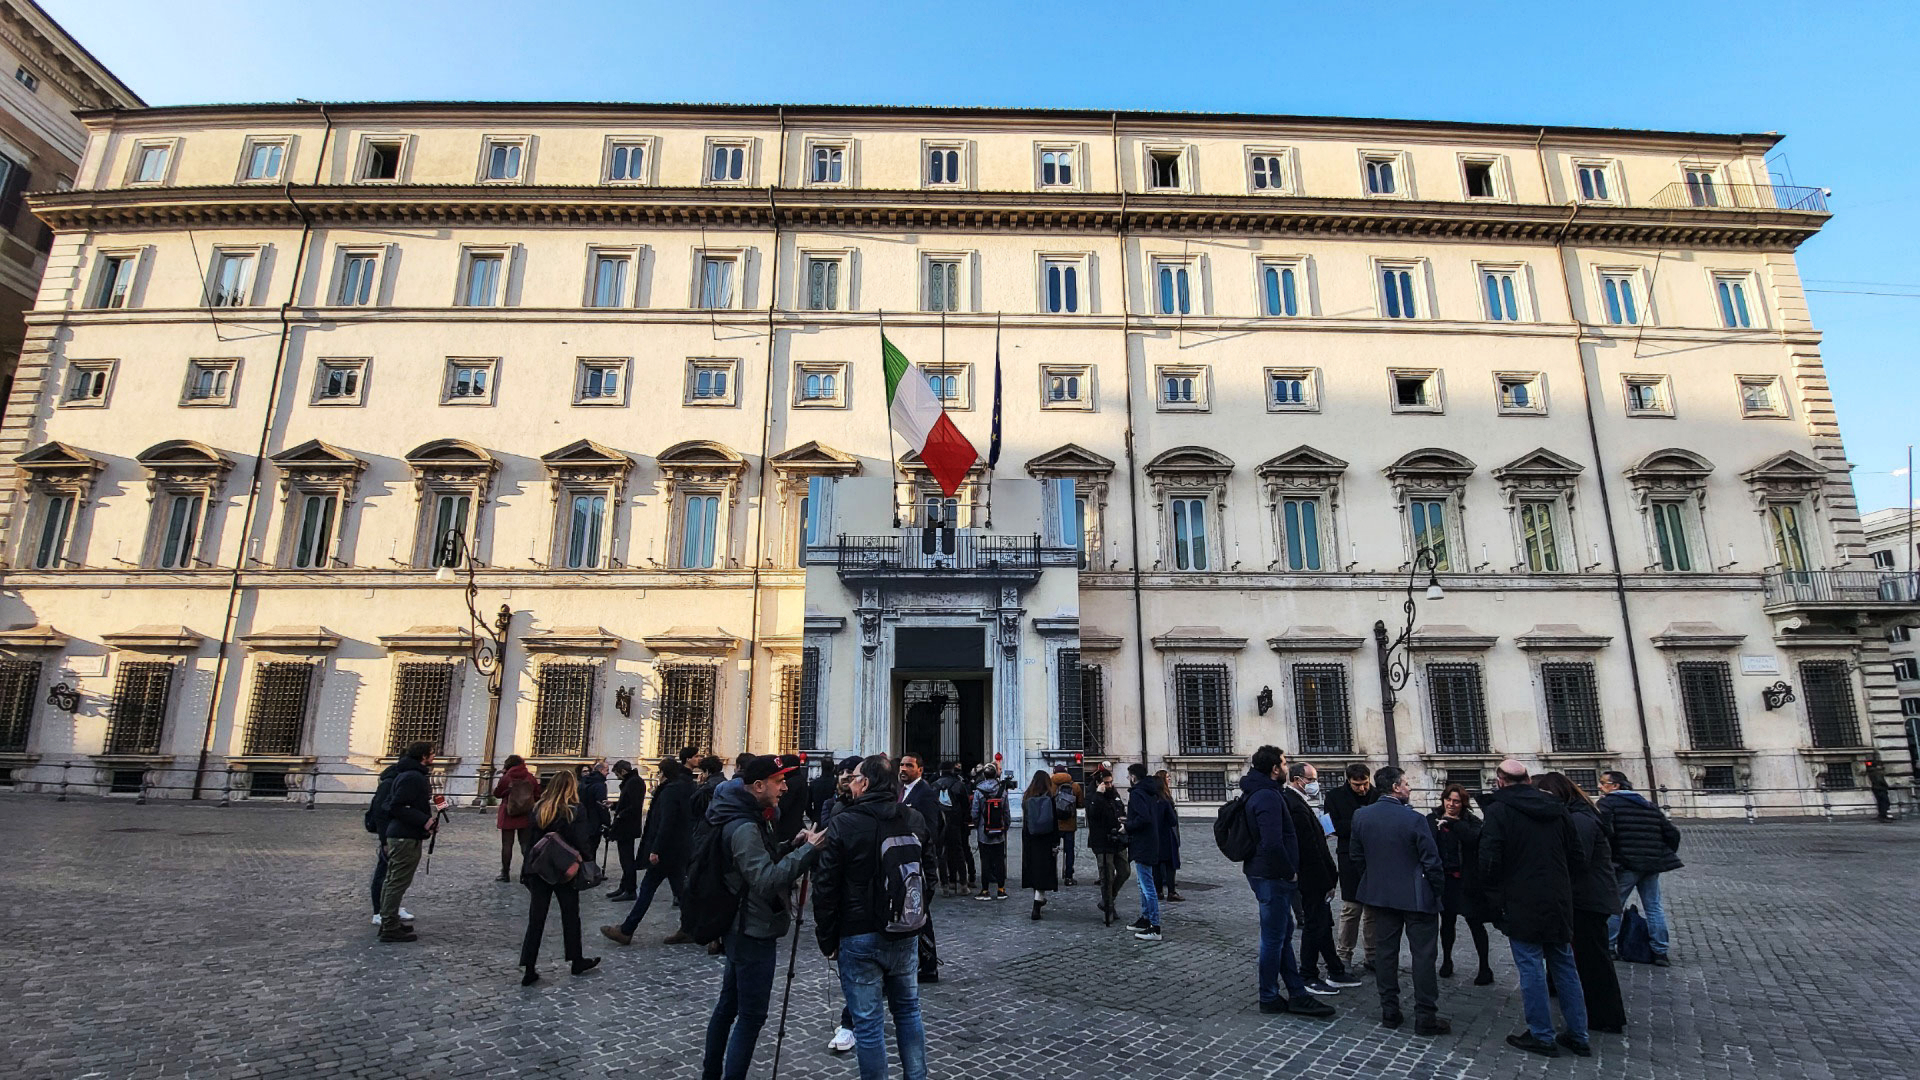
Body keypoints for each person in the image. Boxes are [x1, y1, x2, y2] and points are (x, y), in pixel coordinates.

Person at [700, 756, 827, 1080]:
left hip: (743, 924)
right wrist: (807, 852)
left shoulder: (749, 816)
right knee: (751, 1015)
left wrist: (789, 846)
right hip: (751, 929)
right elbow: (765, 879)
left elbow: (758, 861)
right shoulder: (744, 826)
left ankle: (711, 1074)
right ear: (758, 786)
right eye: (779, 781)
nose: (786, 787)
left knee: (729, 1005)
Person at [814, 754, 931, 1080]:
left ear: (864, 784)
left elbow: (826, 887)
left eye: (854, 778)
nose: (849, 782)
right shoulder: (912, 819)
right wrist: (915, 915)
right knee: (908, 1012)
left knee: (867, 1024)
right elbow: (927, 876)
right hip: (903, 931)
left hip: (857, 933)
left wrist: (827, 938)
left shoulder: (844, 822)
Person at [1481, 759, 1588, 1058]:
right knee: (1565, 965)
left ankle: (1542, 1035)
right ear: (1528, 780)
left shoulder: (1498, 811)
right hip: (1557, 897)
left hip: (1521, 899)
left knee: (1531, 967)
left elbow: (1489, 861)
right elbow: (1577, 856)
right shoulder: (1558, 809)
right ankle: (1578, 1034)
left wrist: (1493, 896)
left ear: (1500, 781)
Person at [1349, 766, 1449, 1035]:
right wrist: (1437, 890)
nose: (1409, 788)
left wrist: (1374, 880)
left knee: (1385, 953)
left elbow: (1356, 856)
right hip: (1417, 896)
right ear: (1394, 787)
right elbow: (1432, 859)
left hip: (1380, 895)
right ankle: (1425, 1015)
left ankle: (1389, 1009)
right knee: (1424, 956)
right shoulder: (1414, 819)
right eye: (1405, 783)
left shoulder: (1361, 816)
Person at [1239, 746, 1336, 1018]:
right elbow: (1272, 842)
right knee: (1273, 938)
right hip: (1272, 875)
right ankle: (1269, 995)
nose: (1285, 766)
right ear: (1274, 769)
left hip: (1265, 872)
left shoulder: (1261, 792)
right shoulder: (1268, 796)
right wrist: (1289, 871)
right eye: (1283, 763)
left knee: (1282, 933)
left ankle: (1295, 991)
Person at [1535, 772, 1625, 1035]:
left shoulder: (1580, 820)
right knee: (1587, 955)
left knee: (1593, 958)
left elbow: (1577, 860)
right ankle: (1597, 1010)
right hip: (1588, 896)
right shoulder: (1581, 814)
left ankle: (1606, 1015)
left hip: (1588, 898)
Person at [518, 769, 602, 985]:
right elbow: (582, 840)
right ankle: (576, 959)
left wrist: (526, 869)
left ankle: (529, 966)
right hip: (565, 869)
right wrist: (588, 860)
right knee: (571, 915)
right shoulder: (574, 810)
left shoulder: (539, 808)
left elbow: (530, 843)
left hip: (539, 869)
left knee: (536, 919)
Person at [602, 758, 697, 946]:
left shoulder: (670, 791)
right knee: (680, 892)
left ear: (663, 773)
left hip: (667, 850)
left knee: (647, 889)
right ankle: (691, 928)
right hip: (679, 848)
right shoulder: (686, 787)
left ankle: (627, 930)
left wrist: (655, 849)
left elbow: (666, 822)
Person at [1283, 761, 1360, 995]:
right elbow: (1309, 849)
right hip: (1311, 877)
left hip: (1315, 874)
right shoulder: (1294, 803)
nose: (1315, 784)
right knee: (1315, 924)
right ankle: (1308, 974)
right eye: (1311, 779)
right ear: (1298, 780)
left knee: (1323, 923)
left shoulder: (1299, 801)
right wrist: (1327, 880)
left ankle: (1335, 969)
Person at [1595, 770, 1681, 966]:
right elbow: (1672, 833)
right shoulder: (1647, 804)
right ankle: (1660, 951)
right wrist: (1659, 853)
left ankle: (1609, 947)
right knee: (1654, 907)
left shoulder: (1607, 804)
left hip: (1625, 864)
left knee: (1614, 905)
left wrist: (1608, 859)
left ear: (1615, 786)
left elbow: (1605, 833)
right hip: (1651, 863)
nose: (1600, 787)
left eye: (1603, 783)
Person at [1427, 784, 1493, 985]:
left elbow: (1474, 840)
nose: (1451, 804)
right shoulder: (1432, 819)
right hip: (1445, 881)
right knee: (1446, 923)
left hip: (1467, 881)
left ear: (1463, 804)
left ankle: (1485, 967)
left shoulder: (1472, 822)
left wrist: (1453, 823)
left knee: (1475, 924)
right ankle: (1446, 960)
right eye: (1448, 800)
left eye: (1456, 801)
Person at [377, 741, 438, 942]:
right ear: (423, 757)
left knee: (394, 880)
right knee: (396, 881)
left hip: (403, 834)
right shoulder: (413, 777)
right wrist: (425, 820)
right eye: (431, 754)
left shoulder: (408, 774)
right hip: (404, 836)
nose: (434, 757)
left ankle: (389, 921)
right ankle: (389, 926)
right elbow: (397, 806)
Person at [1323, 762, 1377, 973]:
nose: (1362, 789)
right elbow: (1331, 827)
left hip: (1374, 857)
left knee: (1372, 910)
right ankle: (1344, 954)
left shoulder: (1377, 794)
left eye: (1365, 784)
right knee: (1351, 909)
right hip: (1349, 858)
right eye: (1357, 785)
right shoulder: (1334, 797)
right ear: (1348, 780)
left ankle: (1372, 954)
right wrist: (1361, 823)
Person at [897, 753, 944, 982]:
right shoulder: (901, 791)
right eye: (902, 764)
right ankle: (924, 963)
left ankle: (928, 965)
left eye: (909, 765)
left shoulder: (924, 793)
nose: (903, 768)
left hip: (918, 862)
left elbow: (931, 830)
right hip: (904, 862)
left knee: (921, 915)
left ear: (920, 769)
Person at [365, 757, 415, 928]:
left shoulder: (400, 779)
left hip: (396, 832)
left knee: (395, 874)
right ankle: (379, 911)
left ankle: (391, 906)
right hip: (389, 834)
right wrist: (384, 840)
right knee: (384, 873)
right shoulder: (389, 782)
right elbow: (380, 813)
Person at [1124, 763, 1171, 941]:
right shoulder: (1151, 792)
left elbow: (1143, 818)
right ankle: (1145, 919)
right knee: (1142, 883)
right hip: (1149, 842)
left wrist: (1127, 826)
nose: (1128, 779)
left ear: (1134, 777)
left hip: (1143, 843)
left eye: (1129, 776)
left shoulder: (1137, 793)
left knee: (1146, 885)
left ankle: (1154, 926)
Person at [1085, 767, 1130, 923]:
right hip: (1102, 841)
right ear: (1099, 783)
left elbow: (1120, 810)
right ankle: (1109, 906)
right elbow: (1092, 814)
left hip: (1117, 839)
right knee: (1107, 875)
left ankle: (1108, 899)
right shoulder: (1092, 795)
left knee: (1125, 871)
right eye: (1106, 783)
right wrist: (1099, 793)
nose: (1110, 785)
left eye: (1111, 782)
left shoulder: (1114, 794)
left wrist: (1123, 823)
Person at [491, 754, 540, 884]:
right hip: (525, 813)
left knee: (507, 845)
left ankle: (505, 873)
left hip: (509, 812)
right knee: (525, 844)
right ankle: (526, 873)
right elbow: (537, 794)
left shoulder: (507, 777)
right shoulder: (530, 777)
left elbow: (497, 793)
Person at [1020, 769, 1061, 920]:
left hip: (1030, 839)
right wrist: (1056, 842)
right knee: (1043, 874)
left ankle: (1039, 899)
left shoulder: (1026, 797)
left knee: (1034, 871)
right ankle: (1037, 904)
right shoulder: (1050, 798)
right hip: (1046, 840)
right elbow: (1054, 823)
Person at [933, 761, 975, 895]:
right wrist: (966, 821)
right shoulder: (959, 785)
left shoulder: (934, 786)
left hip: (940, 823)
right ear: (952, 770)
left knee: (941, 854)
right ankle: (963, 883)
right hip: (956, 823)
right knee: (958, 852)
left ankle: (945, 885)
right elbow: (966, 806)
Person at [607, 760, 646, 901]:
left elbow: (633, 805)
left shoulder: (634, 782)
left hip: (627, 827)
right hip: (625, 826)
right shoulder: (631, 781)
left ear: (623, 771)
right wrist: (614, 805)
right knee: (625, 859)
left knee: (627, 860)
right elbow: (627, 802)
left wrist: (620, 815)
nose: (617, 777)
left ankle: (630, 889)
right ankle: (624, 886)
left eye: (617, 774)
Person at [971, 764, 1010, 901]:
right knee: (999, 860)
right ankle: (1001, 889)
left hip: (984, 831)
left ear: (984, 775)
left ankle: (985, 890)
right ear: (995, 775)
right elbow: (1006, 812)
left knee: (985, 860)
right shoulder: (1002, 791)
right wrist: (1005, 826)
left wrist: (977, 825)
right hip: (999, 831)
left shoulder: (979, 791)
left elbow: (975, 812)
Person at [1153, 768, 1184, 902]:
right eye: (1167, 777)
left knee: (1157, 864)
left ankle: (1158, 891)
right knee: (1170, 864)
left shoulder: (1153, 798)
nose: (1169, 779)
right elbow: (1172, 820)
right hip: (1167, 834)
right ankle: (1171, 892)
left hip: (1156, 835)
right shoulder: (1165, 799)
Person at [1051, 768, 1083, 886]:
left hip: (1055, 824)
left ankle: (1052, 876)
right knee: (1069, 851)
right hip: (1069, 825)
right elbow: (1080, 804)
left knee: (1053, 850)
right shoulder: (1075, 786)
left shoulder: (1050, 784)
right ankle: (1068, 877)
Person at [774, 753, 810, 845]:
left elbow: (783, 806)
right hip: (796, 824)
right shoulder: (800, 780)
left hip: (787, 828)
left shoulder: (791, 783)